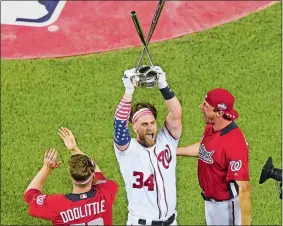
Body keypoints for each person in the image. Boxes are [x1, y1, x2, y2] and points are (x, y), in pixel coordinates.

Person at [113, 66, 182, 225]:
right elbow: (119, 125)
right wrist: (128, 91)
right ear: (134, 127)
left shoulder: (168, 141)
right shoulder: (127, 150)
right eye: (144, 124)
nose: (150, 127)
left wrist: (163, 84)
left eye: (152, 123)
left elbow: (176, 115)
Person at [177, 88, 251, 225]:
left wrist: (245, 223)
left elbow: (244, 188)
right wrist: (175, 151)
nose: (201, 107)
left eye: (206, 105)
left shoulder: (234, 144)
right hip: (210, 203)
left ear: (219, 113)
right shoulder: (212, 127)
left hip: (227, 208)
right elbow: (205, 148)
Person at [24, 127, 118, 225]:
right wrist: (74, 149)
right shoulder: (107, 191)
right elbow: (99, 176)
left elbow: (30, 194)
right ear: (93, 175)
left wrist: (46, 168)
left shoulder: (56, 205)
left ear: (70, 175)